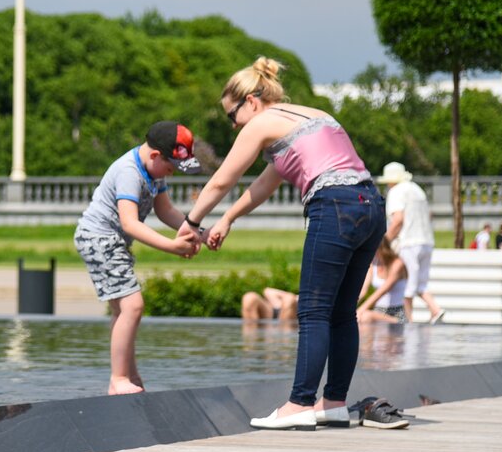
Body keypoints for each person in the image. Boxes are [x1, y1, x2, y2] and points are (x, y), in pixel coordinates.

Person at [177, 56, 385, 430]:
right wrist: (227, 218)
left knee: (313, 310)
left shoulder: (262, 124)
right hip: (369, 205)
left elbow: (223, 180)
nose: (234, 125)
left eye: (232, 115)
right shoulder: (305, 117)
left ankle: (300, 404)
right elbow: (262, 185)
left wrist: (192, 221)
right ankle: (333, 402)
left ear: (252, 101)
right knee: (341, 313)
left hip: (333, 204)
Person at [74, 121, 202, 395]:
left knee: (124, 309)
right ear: (156, 155)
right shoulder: (129, 172)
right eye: (171, 168)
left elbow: (165, 210)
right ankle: (118, 379)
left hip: (112, 241)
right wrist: (172, 246)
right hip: (99, 239)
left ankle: (128, 376)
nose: (172, 174)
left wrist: (199, 232)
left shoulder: (154, 172)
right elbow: (130, 223)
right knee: (133, 305)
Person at [378, 162, 445, 324]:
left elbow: (398, 220)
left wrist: (384, 242)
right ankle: (435, 310)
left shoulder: (396, 192)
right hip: (427, 241)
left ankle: (409, 320)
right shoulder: (416, 189)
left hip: (409, 242)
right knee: (420, 283)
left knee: (409, 282)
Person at [357, 237, 408, 324]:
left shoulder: (398, 264)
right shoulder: (374, 264)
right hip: (378, 311)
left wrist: (361, 309)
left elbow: (382, 291)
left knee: (365, 316)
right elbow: (363, 289)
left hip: (396, 313)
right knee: (361, 317)